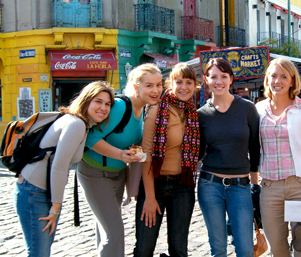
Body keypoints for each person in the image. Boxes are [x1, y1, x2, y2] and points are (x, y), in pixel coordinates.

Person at [15, 81, 114, 257]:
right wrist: (55, 208)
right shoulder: (76, 124)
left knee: (40, 250)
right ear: (86, 101)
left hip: (39, 191)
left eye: (108, 104)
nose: (103, 108)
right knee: (39, 252)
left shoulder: (80, 123)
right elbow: (59, 166)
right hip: (34, 192)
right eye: (98, 101)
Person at [77, 63, 163, 257]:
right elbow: (91, 138)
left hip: (117, 174)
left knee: (106, 229)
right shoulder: (121, 106)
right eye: (149, 85)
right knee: (114, 232)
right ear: (136, 87)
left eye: (159, 85)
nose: (156, 90)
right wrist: (121, 155)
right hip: (95, 173)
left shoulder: (143, 110)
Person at [255, 58, 301, 257]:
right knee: (277, 248)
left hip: (299, 186)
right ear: (267, 80)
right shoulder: (258, 110)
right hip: (270, 189)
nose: (278, 81)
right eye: (274, 76)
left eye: (284, 76)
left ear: (292, 81)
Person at [134, 62, 200, 257]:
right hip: (156, 185)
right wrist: (150, 198)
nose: (184, 87)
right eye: (179, 82)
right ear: (171, 84)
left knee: (179, 249)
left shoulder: (192, 113)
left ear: (195, 85)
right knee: (144, 248)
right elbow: (146, 157)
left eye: (189, 82)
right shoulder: (157, 111)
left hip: (183, 186)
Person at [197, 58, 260, 257]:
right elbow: (198, 153)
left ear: (231, 80)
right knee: (218, 249)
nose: (219, 81)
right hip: (210, 186)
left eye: (223, 76)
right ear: (206, 80)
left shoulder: (247, 108)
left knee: (245, 249)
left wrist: (254, 183)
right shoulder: (201, 115)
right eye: (213, 76)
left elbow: (255, 147)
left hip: (240, 187)